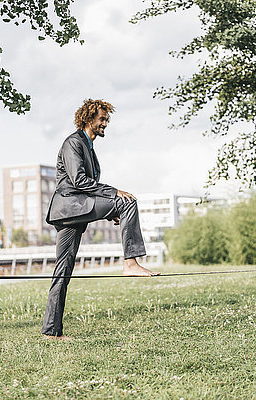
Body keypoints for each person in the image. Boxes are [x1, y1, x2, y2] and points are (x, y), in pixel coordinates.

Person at [42, 98, 160, 340]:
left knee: (63, 271)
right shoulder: (73, 143)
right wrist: (113, 193)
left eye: (107, 119)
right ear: (88, 119)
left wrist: (109, 212)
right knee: (127, 201)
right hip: (71, 206)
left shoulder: (89, 147)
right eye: (102, 119)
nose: (105, 123)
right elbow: (79, 181)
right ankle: (130, 263)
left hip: (74, 211)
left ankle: (51, 331)